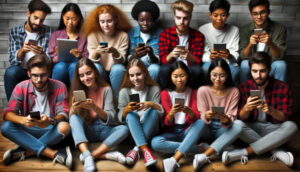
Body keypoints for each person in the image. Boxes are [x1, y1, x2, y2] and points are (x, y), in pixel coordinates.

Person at [221, 52, 298, 167]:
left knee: (292, 126)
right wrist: (246, 109)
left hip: (273, 128)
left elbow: (285, 117)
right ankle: (275, 150)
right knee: (236, 124)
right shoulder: (244, 87)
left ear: (269, 70)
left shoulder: (282, 87)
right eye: (254, 71)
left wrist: (271, 110)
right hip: (252, 128)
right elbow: (240, 117)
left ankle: (244, 152)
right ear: (250, 71)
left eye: (262, 71)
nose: (258, 76)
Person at [1, 54, 72, 168]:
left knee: (65, 127)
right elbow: (7, 113)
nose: (39, 80)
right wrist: (23, 120)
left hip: (50, 129)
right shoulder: (21, 87)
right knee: (6, 127)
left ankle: (27, 151)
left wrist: (51, 121)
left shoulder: (59, 86)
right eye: (34, 75)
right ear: (28, 73)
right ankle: (52, 153)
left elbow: (63, 114)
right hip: (29, 129)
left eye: (43, 75)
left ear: (49, 73)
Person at [69, 58, 129, 172]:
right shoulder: (77, 90)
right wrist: (74, 109)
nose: (86, 78)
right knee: (73, 117)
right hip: (87, 131)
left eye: (88, 73)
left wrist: (94, 108)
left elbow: (111, 118)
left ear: (95, 72)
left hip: (104, 129)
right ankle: (98, 155)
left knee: (124, 129)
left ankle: (92, 156)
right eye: (81, 75)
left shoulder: (106, 89)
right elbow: (73, 122)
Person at [151, 61, 206, 172]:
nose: (179, 80)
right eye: (175, 76)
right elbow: (166, 122)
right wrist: (171, 113)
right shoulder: (165, 94)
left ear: (187, 76)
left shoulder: (194, 92)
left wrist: (190, 112)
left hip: (188, 130)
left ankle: (174, 159)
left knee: (202, 122)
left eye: (182, 75)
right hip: (172, 131)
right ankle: (198, 148)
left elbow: (196, 116)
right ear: (170, 77)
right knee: (155, 143)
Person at [193, 58, 243, 170]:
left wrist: (225, 119)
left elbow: (232, 117)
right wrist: (206, 116)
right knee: (199, 122)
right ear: (209, 74)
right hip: (206, 129)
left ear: (228, 75)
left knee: (239, 125)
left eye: (222, 75)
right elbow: (201, 115)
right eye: (214, 75)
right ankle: (222, 147)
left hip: (223, 129)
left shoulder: (234, 91)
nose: (217, 79)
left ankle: (208, 151)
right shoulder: (202, 90)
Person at [118, 59, 163, 167]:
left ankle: (136, 150)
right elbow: (119, 117)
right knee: (131, 114)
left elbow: (161, 113)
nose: (135, 78)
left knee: (153, 111)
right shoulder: (124, 91)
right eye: (132, 75)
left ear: (145, 73)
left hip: (151, 129)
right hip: (132, 132)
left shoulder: (154, 89)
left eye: (138, 74)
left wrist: (152, 104)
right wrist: (125, 110)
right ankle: (145, 150)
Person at [4, 0, 52, 100]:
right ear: (28, 13)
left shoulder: (49, 31)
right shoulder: (15, 32)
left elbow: (51, 61)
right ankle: (12, 109)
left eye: (42, 20)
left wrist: (42, 54)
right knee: (10, 72)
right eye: (36, 18)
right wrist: (22, 51)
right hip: (22, 71)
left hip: (40, 72)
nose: (38, 22)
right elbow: (13, 61)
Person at [81, 4, 132, 96]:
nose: (106, 25)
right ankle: (101, 96)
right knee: (95, 66)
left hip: (116, 71)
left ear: (116, 20)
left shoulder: (123, 35)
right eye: (102, 22)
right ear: (98, 22)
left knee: (118, 68)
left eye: (109, 21)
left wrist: (114, 52)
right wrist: (96, 52)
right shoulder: (93, 35)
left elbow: (122, 60)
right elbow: (91, 60)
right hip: (100, 71)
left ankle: (117, 99)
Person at [159, 0, 204, 90]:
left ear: (190, 17)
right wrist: (171, 55)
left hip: (189, 68)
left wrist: (190, 57)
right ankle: (166, 94)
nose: (182, 22)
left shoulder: (198, 36)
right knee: (164, 69)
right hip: (172, 67)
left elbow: (198, 61)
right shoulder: (165, 34)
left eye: (185, 18)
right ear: (174, 17)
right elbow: (162, 60)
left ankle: (193, 95)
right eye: (178, 18)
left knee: (197, 70)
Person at [239, 0, 287, 83]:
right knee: (244, 64)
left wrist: (270, 43)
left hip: (270, 66)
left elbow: (280, 56)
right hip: (253, 67)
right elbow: (243, 56)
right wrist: (250, 44)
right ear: (251, 14)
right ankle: (245, 93)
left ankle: (279, 94)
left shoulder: (279, 28)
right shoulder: (244, 30)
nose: (259, 17)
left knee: (281, 65)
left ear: (268, 12)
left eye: (262, 12)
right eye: (255, 14)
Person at [48, 3, 88, 87]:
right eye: (67, 18)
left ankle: (77, 96)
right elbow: (51, 56)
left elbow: (87, 57)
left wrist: (80, 56)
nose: (70, 22)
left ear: (79, 19)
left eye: (74, 19)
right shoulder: (55, 35)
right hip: (59, 65)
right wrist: (58, 56)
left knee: (74, 65)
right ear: (62, 17)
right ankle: (57, 96)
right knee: (60, 66)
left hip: (77, 65)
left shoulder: (84, 36)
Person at [199, 0, 239, 83]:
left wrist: (229, 55)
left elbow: (236, 54)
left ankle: (230, 92)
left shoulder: (234, 30)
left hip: (228, 62)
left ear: (228, 15)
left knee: (235, 70)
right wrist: (210, 56)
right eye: (215, 15)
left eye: (223, 15)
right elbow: (202, 54)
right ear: (210, 15)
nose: (219, 19)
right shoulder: (203, 30)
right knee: (205, 69)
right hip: (210, 62)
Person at [127, 0, 162, 82]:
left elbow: (160, 61)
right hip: (135, 67)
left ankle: (150, 92)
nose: (145, 23)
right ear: (137, 20)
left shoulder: (161, 34)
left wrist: (152, 55)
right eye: (142, 20)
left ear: (153, 20)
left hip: (151, 68)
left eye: (149, 20)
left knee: (155, 68)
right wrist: (135, 55)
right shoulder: (130, 34)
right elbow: (126, 60)